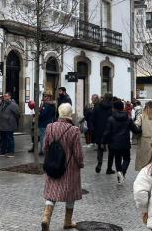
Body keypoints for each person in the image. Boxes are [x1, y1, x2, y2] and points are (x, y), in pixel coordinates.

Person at [41, 103, 84, 231]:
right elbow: (77, 152)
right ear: (70, 114)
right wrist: (80, 163)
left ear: (59, 113)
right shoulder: (74, 130)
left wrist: (50, 158)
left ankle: (46, 219)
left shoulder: (50, 127)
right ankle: (67, 222)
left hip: (53, 166)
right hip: (69, 167)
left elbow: (45, 147)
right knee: (70, 194)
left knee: (51, 194)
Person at [102, 100, 139, 184]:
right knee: (127, 159)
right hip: (125, 143)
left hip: (114, 144)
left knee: (117, 159)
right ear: (122, 108)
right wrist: (141, 130)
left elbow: (107, 132)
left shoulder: (111, 119)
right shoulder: (128, 118)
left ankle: (119, 174)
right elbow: (135, 130)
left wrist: (103, 142)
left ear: (114, 108)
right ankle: (122, 172)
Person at [92, 94, 115, 174]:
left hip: (99, 130)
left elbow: (93, 119)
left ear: (104, 98)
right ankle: (109, 168)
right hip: (110, 131)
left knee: (100, 148)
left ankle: (99, 163)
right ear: (111, 99)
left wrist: (94, 129)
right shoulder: (112, 108)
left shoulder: (97, 107)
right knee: (111, 150)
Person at [0, 92, 20, 157]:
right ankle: (3, 151)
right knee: (3, 139)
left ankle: (11, 152)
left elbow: (18, 114)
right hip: (2, 125)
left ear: (10, 97)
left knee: (10, 139)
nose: (5, 97)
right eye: (4, 96)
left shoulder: (13, 105)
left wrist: (11, 119)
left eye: (6, 96)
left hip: (9, 125)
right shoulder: (3, 104)